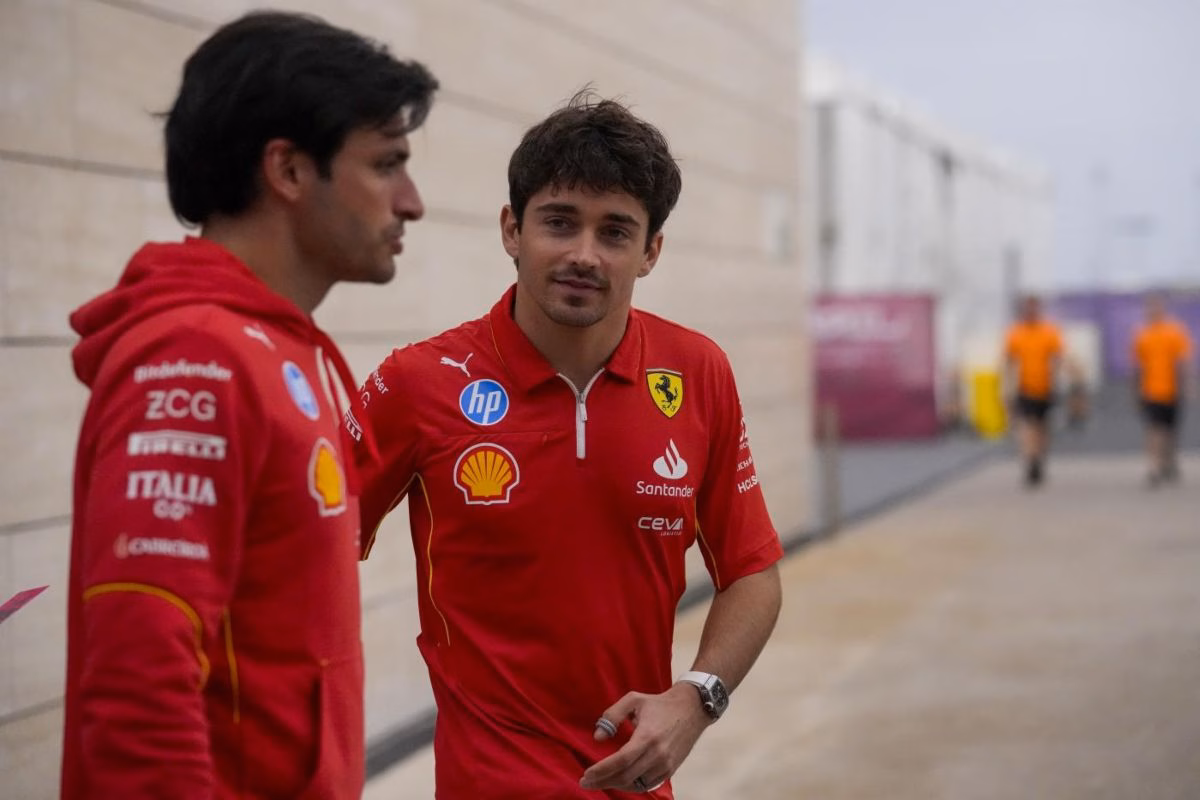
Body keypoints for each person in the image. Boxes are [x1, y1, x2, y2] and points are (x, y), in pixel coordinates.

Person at [347, 91, 784, 798]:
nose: (584, 254)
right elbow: (303, 551)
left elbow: (752, 571)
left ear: (650, 252)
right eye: (559, 223)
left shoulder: (697, 373)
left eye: (615, 232)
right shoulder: (418, 382)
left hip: (634, 783)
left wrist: (697, 698)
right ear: (511, 230)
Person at [61, 11, 436, 798]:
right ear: (289, 171)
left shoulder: (272, 349)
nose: (412, 202)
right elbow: (139, 685)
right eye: (387, 165)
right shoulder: (196, 359)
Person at [1131, 293, 1194, 486]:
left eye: (1156, 308)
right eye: (1150, 308)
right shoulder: (1142, 335)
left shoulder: (1174, 332)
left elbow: (1183, 361)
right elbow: (1137, 367)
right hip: (1151, 390)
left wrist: (1188, 385)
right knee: (1154, 428)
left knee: (1170, 429)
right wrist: (1135, 391)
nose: (1153, 312)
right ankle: (1154, 466)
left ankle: (1168, 461)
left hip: (1173, 389)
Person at [1003, 295, 1064, 486]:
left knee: (1042, 427)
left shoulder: (1048, 332)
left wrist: (1055, 378)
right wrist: (1008, 388)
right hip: (1025, 387)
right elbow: (1009, 362)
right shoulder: (1016, 333)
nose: (1031, 312)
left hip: (1045, 387)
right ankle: (1031, 460)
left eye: (1034, 309)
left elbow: (1057, 358)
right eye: (1027, 309)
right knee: (1028, 425)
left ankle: (1039, 458)